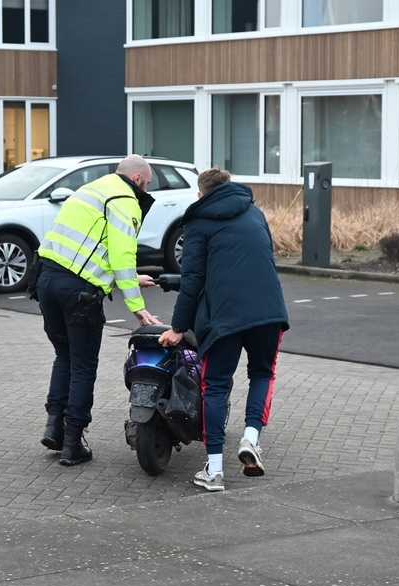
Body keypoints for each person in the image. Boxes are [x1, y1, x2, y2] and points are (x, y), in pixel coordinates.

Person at [158, 167, 289, 492]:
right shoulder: (255, 213)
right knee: (261, 375)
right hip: (268, 313)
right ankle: (250, 438)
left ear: (201, 194)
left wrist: (178, 327)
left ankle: (214, 470)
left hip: (224, 318)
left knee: (214, 386)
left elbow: (192, 282)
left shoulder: (198, 223)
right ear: (229, 187)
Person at [34, 155, 161, 466]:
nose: (144, 191)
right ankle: (72, 443)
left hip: (47, 280)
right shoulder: (126, 200)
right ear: (137, 179)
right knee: (83, 365)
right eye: (145, 186)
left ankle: (54, 427)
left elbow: (85, 253)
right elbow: (121, 255)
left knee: (64, 355)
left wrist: (130, 279)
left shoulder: (92, 189)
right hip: (79, 296)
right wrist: (137, 308)